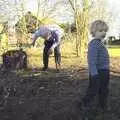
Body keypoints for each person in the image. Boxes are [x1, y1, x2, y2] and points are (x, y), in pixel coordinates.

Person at [78, 20, 110, 120]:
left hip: (104, 71)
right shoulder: (94, 44)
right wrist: (94, 74)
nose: (104, 33)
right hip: (97, 73)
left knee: (104, 89)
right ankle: (84, 103)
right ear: (93, 32)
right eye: (101, 30)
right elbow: (91, 61)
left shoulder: (100, 43)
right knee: (93, 90)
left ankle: (102, 105)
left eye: (105, 31)